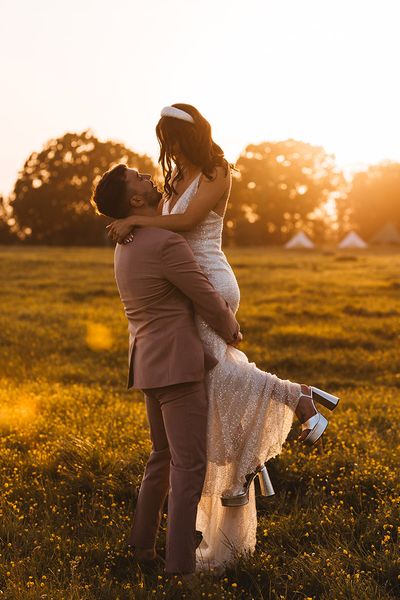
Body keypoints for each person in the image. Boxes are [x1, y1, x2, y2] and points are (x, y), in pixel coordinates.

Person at [105, 104, 340, 571]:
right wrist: (141, 222)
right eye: (163, 140)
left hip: (207, 278)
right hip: (183, 281)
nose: (166, 149)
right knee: (216, 378)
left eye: (172, 138)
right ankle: (294, 401)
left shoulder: (216, 171)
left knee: (210, 377)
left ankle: (292, 402)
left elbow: (189, 224)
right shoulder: (173, 180)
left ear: (189, 135)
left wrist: (135, 222)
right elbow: (170, 223)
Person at [91, 165, 242, 584]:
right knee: (188, 466)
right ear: (135, 201)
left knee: (160, 456)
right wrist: (230, 326)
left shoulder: (126, 242)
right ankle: (181, 569)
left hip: (146, 364)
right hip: (178, 367)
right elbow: (203, 293)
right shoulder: (165, 242)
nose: (149, 178)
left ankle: (141, 545)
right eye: (139, 178)